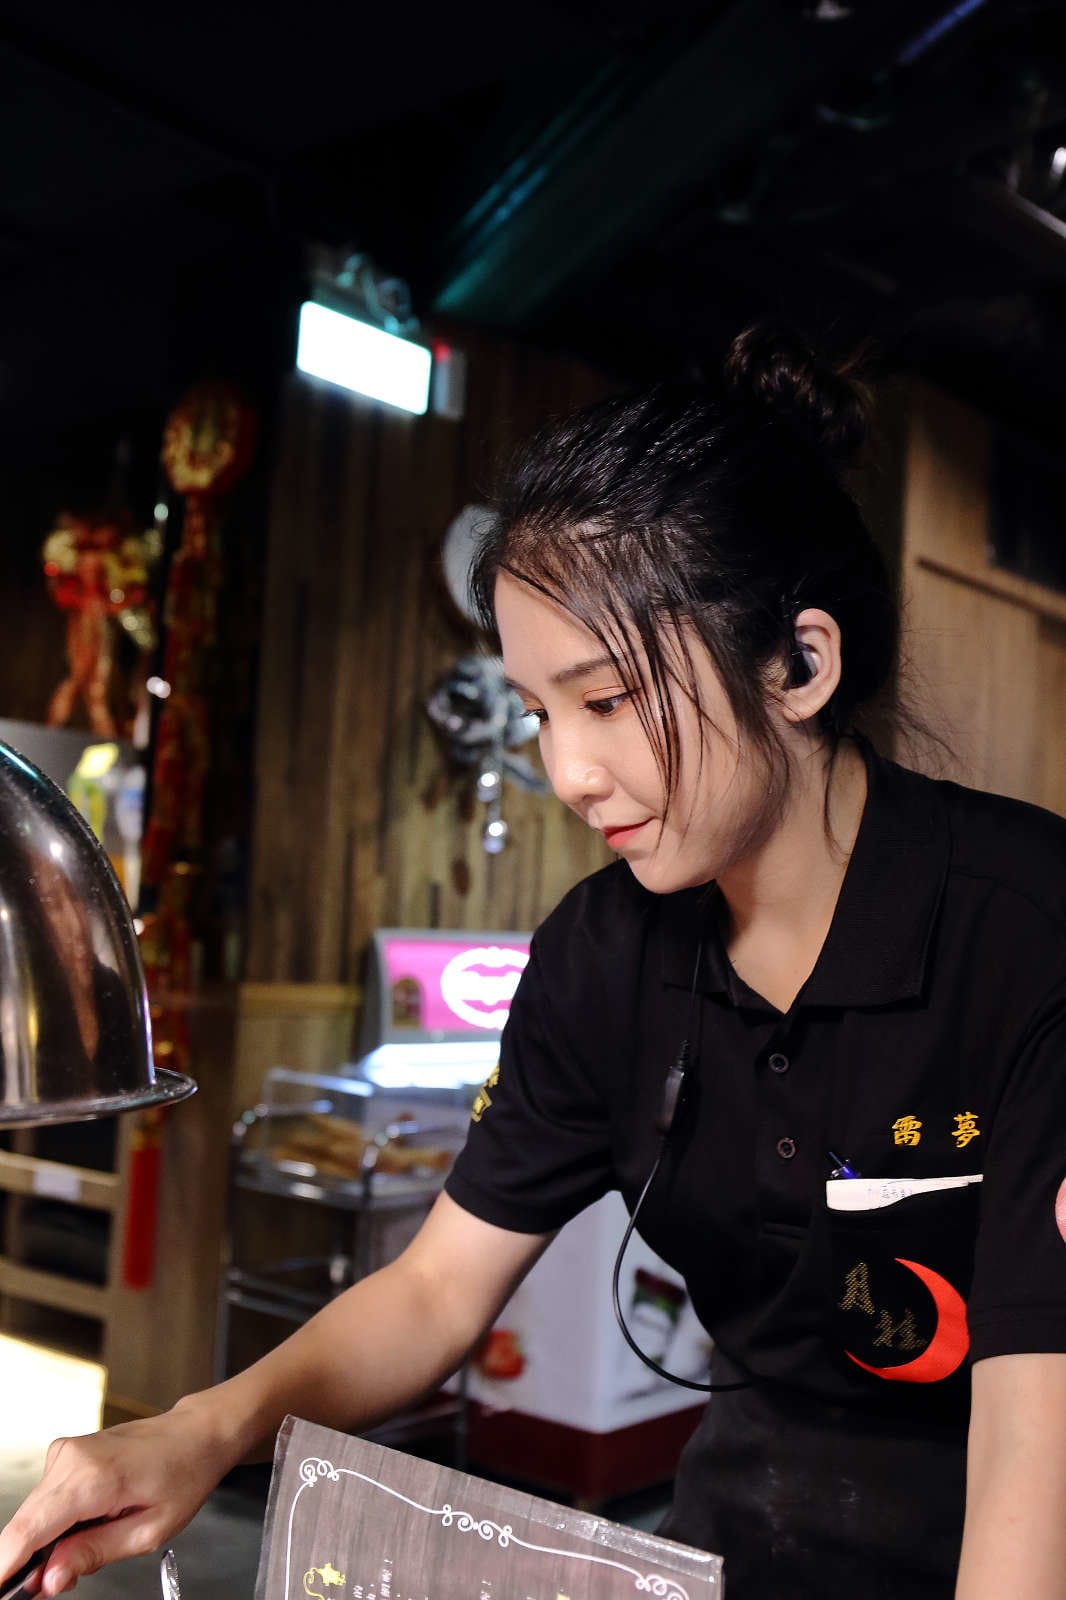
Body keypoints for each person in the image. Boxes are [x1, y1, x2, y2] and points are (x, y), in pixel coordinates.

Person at [3, 327, 1066, 1600]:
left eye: (608, 700)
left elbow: (1027, 1440)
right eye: (539, 711)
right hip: (745, 1535)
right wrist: (203, 1424)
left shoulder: (1026, 929)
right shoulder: (600, 956)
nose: (568, 772)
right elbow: (440, 1289)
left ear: (797, 662)